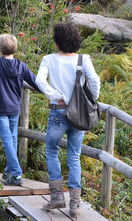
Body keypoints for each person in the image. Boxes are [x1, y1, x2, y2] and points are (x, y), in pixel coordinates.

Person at [34, 23, 100, 217]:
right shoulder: (83, 58)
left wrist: (55, 95)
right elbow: (95, 81)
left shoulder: (49, 59)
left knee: (52, 150)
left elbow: (39, 81)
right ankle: (74, 205)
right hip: (78, 113)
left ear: (57, 41)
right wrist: (90, 100)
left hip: (58, 111)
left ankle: (56, 198)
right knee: (74, 156)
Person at [0, 34, 40, 186]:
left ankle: (17, 173)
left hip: (0, 108)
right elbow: (36, 82)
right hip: (14, 108)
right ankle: (9, 173)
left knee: (7, 140)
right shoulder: (21, 66)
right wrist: (51, 92)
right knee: (11, 139)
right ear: (15, 48)